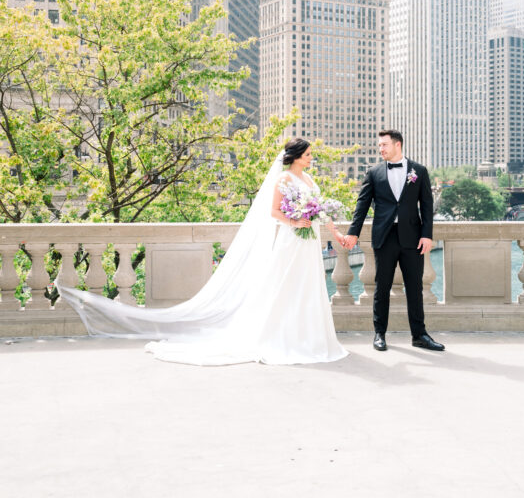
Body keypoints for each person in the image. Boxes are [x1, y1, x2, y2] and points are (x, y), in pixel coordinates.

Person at [56, 139, 348, 366]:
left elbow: (321, 210)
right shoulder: (284, 180)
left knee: (308, 288)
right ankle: (283, 338)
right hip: (290, 240)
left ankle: (312, 339)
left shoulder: (310, 181)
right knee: (286, 288)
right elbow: (274, 212)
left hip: (307, 243)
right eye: (308, 154)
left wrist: (335, 234)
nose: (312, 158)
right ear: (296, 156)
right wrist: (295, 220)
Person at [341, 129, 445, 353]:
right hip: (384, 238)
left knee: (415, 288)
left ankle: (419, 335)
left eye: (384, 145)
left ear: (398, 145)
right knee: (382, 288)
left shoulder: (419, 171)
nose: (381, 149)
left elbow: (427, 206)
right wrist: (353, 232)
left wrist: (427, 235)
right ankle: (379, 334)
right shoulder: (373, 172)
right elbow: (362, 206)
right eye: (379, 145)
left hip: (413, 239)